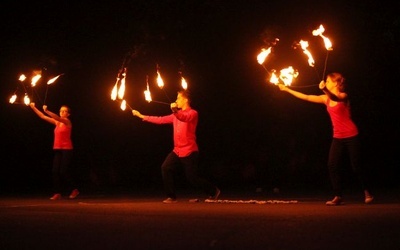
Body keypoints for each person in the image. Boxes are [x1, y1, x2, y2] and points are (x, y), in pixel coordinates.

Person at [278, 72, 373, 205]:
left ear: (335, 83)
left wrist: (324, 89)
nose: (326, 82)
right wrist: (287, 89)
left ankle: (367, 192)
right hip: (337, 136)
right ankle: (338, 196)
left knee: (356, 166)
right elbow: (306, 97)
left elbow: (335, 97)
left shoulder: (344, 96)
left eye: (328, 81)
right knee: (332, 165)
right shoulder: (325, 98)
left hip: (351, 134)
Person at [132, 90, 220, 203]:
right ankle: (171, 196)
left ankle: (213, 191)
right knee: (165, 168)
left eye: (178, 98)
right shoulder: (175, 115)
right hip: (177, 151)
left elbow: (184, 117)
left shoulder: (193, 113)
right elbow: (160, 119)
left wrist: (174, 111)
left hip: (189, 151)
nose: (176, 100)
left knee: (192, 178)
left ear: (185, 100)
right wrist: (142, 116)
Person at [30, 103, 79, 200]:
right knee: (55, 171)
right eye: (61, 110)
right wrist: (33, 107)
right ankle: (57, 193)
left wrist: (47, 111)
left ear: (68, 114)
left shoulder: (67, 121)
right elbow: (42, 116)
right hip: (58, 149)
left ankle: (74, 189)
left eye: (64, 111)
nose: (62, 112)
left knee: (63, 171)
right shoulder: (57, 123)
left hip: (67, 149)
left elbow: (57, 117)